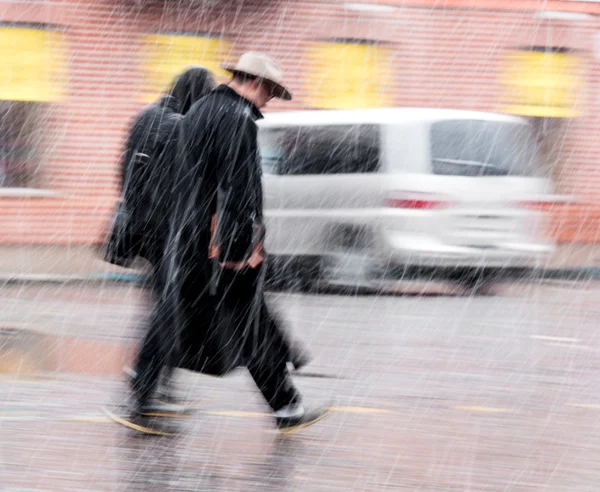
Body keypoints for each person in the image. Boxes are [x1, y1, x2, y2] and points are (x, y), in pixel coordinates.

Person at [159, 51, 328, 434]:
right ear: (254, 82)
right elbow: (238, 191)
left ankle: (286, 404)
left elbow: (192, 180)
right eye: (269, 91)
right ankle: (146, 387)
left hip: (193, 239)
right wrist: (240, 251)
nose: (269, 100)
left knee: (249, 326)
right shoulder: (236, 120)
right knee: (247, 326)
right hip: (223, 247)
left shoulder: (201, 109)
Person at [103, 67, 217, 406]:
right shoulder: (177, 126)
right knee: (170, 308)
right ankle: (146, 382)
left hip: (142, 226)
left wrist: (135, 207)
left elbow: (124, 168)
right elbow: (181, 185)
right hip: (165, 231)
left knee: (164, 304)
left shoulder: (145, 117)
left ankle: (154, 377)